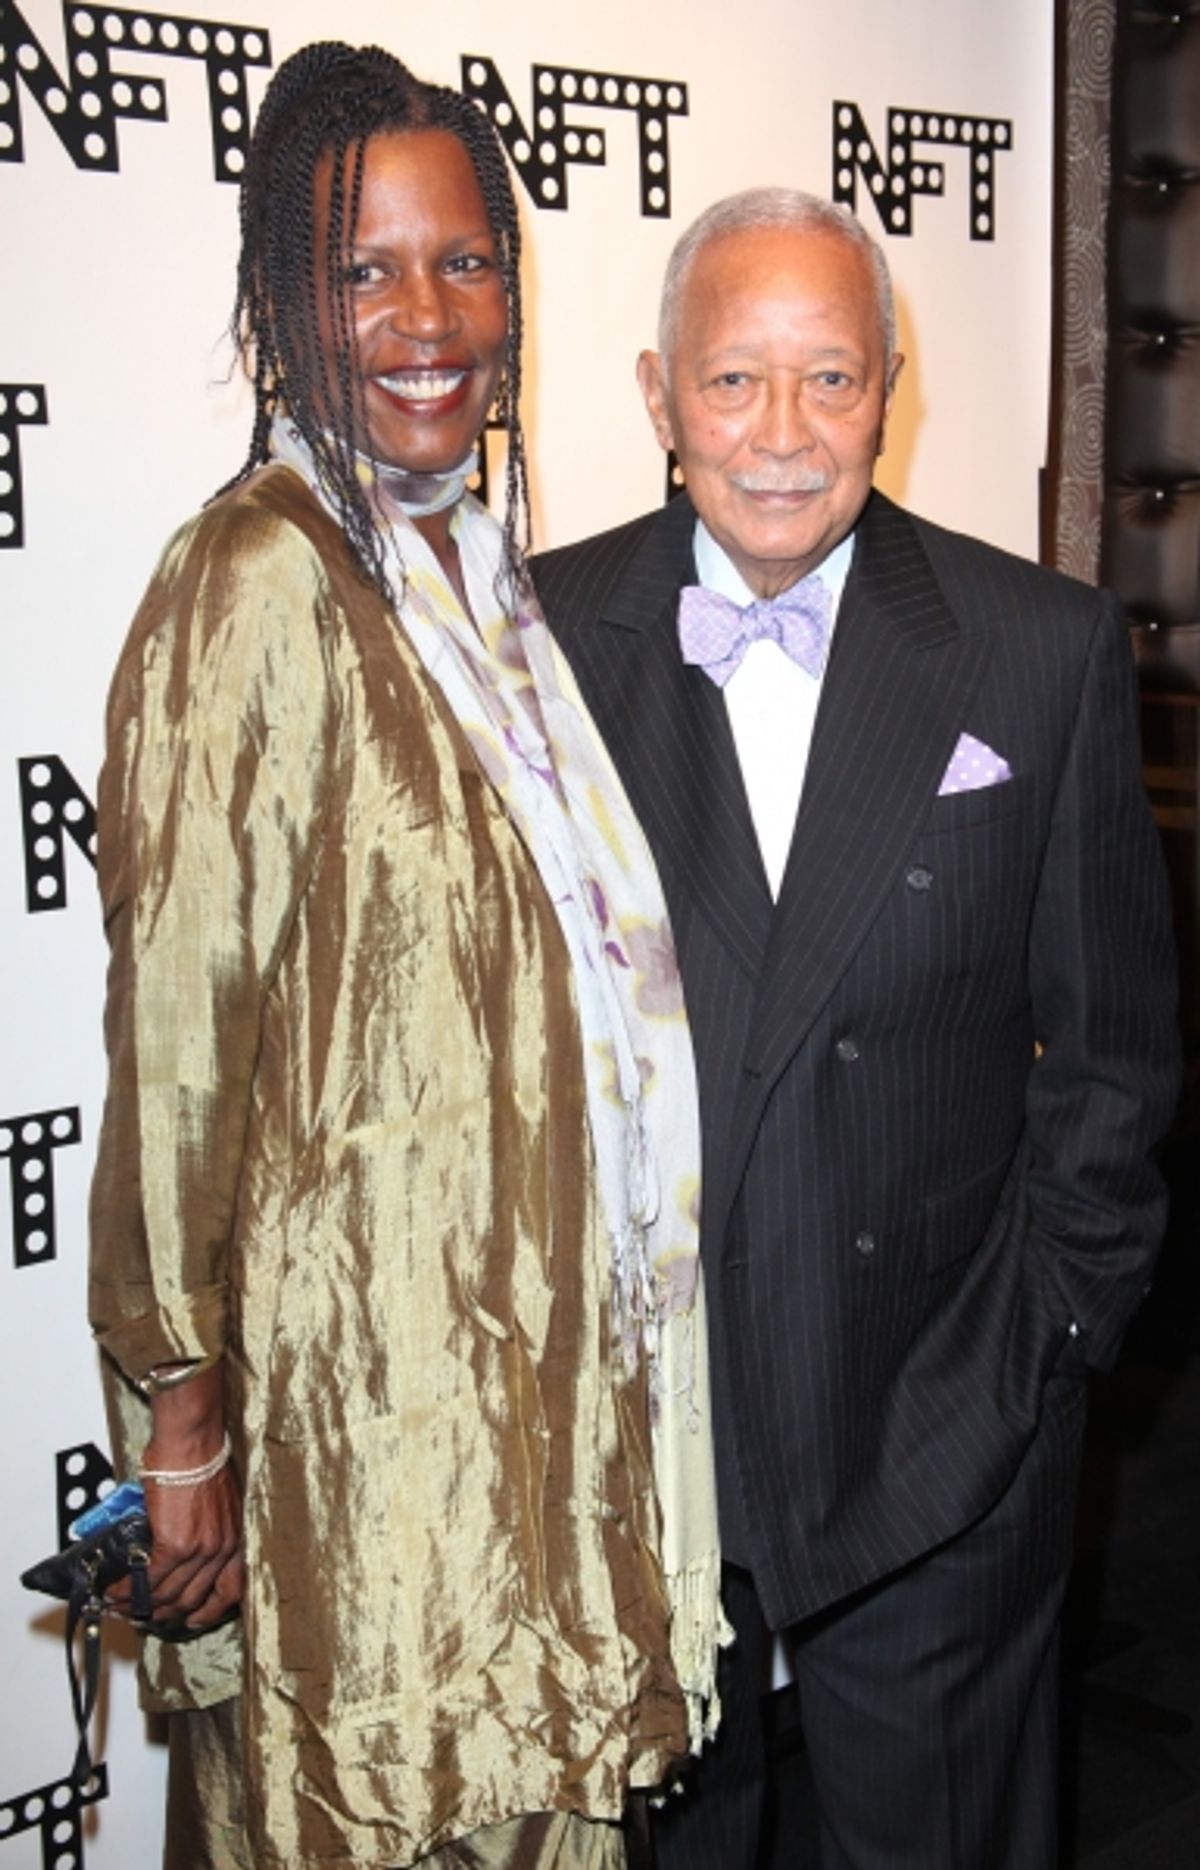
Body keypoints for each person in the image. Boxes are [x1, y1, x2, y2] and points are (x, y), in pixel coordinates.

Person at [88, 42, 725, 1870]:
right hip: (358, 1438)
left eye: (464, 262)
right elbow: (179, 1048)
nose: (426, 315)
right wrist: (183, 1415)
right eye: (363, 269)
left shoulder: (472, 573)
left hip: (523, 1394)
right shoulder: (254, 579)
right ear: (285, 307)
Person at [532, 188, 1180, 1869]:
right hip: (642, 1457)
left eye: (830, 378)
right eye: (734, 381)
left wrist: (1044, 1347)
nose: (781, 433)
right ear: (657, 394)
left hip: (943, 1427)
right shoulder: (530, 646)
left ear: (889, 389)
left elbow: (1115, 1055)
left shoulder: (1037, 648)